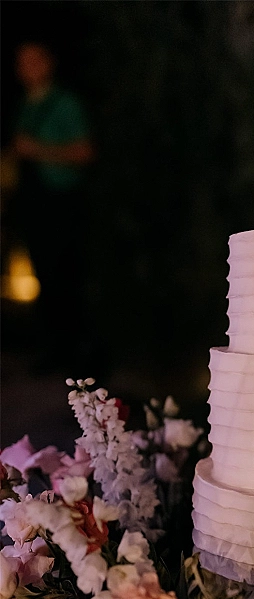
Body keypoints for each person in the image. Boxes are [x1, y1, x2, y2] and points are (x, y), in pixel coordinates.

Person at [11, 41, 94, 366]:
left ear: (49, 62)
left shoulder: (65, 103)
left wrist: (39, 150)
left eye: (34, 60)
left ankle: (76, 351)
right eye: (22, 62)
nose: (28, 67)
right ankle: (53, 348)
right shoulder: (25, 105)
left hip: (61, 200)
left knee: (66, 274)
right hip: (33, 201)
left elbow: (85, 151)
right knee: (42, 273)